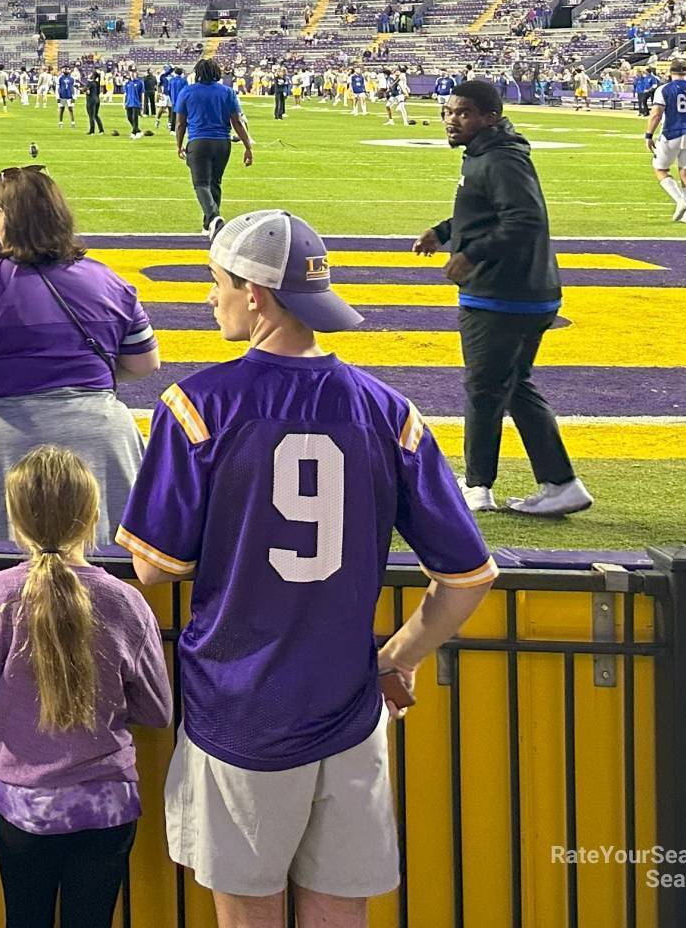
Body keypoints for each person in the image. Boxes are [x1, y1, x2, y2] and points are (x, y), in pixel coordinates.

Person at [119, 210, 496, 927]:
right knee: (338, 912)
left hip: (241, 706)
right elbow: (470, 577)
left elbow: (154, 566)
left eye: (216, 282)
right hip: (350, 705)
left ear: (256, 295)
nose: (210, 298)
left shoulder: (199, 403)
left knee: (249, 911)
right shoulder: (388, 410)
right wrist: (397, 657)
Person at [0, 447, 172, 928]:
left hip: (26, 805)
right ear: (93, 515)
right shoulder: (126, 601)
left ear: (14, 518)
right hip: (108, 806)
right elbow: (157, 711)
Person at [0, 165, 160, 542]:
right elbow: (145, 363)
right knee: (108, 562)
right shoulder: (106, 277)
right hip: (102, 431)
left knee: (3, 573)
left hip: (3, 438)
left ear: (4, 216)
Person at [413, 79, 587, 516]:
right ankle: (560, 483)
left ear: (490, 117)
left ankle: (478, 486)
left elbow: (524, 219)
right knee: (513, 386)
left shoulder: (500, 159)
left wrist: (471, 253)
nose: (453, 120)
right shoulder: (487, 153)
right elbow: (484, 211)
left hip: (504, 294)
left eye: (464, 112)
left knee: (485, 387)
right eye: (449, 111)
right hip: (522, 290)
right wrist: (445, 232)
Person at [173, 57, 254, 236]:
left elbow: (180, 123)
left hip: (198, 141)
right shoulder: (227, 92)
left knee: (200, 184)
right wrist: (248, 146)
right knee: (215, 182)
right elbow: (237, 122)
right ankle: (207, 225)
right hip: (222, 142)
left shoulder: (187, 92)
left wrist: (179, 145)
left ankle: (213, 217)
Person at [647, 57, 686, 224]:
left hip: (672, 132)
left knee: (661, 169)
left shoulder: (664, 89)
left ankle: (680, 200)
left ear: (670, 72)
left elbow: (657, 114)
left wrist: (648, 134)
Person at [82, 66, 106, 136]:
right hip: (97, 100)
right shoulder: (96, 83)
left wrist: (79, 88)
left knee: (91, 116)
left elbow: (86, 91)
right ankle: (101, 130)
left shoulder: (90, 82)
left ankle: (92, 131)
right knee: (96, 115)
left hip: (91, 100)